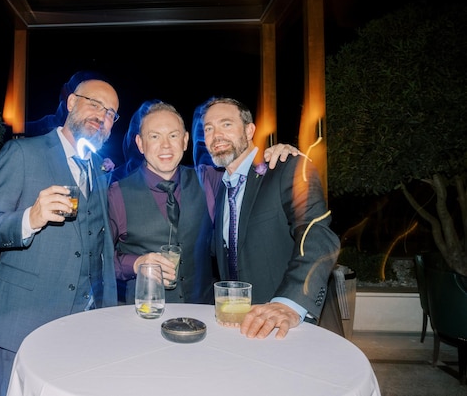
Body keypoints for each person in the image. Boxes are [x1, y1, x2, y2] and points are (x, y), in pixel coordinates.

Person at [0, 74, 120, 396]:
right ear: (72, 103)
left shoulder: (97, 169)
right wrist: (29, 219)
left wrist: (107, 310)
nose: (102, 116)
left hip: (86, 322)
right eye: (95, 104)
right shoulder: (23, 153)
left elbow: (98, 244)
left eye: (110, 113)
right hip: (25, 317)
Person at [108, 100, 299, 304]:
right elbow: (96, 259)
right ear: (140, 143)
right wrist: (135, 263)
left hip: (202, 315)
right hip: (143, 314)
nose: (165, 145)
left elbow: (247, 167)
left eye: (173, 136)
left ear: (185, 141)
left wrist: (279, 152)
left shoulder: (210, 179)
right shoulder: (117, 194)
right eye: (154, 136)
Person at [201, 96, 340, 340]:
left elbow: (318, 236)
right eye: (209, 128)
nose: (216, 135)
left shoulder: (288, 167)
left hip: (288, 329)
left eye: (226, 124)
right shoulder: (222, 188)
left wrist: (288, 304)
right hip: (239, 329)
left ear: (249, 129)